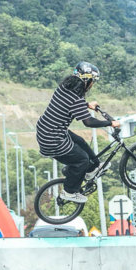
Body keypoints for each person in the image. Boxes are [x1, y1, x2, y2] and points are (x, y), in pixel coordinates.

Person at [35, 62, 121, 203]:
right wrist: (110, 123)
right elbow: (88, 122)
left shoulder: (64, 87)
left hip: (47, 130)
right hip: (52, 139)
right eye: (92, 81)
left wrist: (87, 105)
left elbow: (71, 103)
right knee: (82, 160)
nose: (92, 85)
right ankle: (69, 191)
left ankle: (93, 168)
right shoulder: (76, 99)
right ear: (86, 81)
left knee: (79, 141)